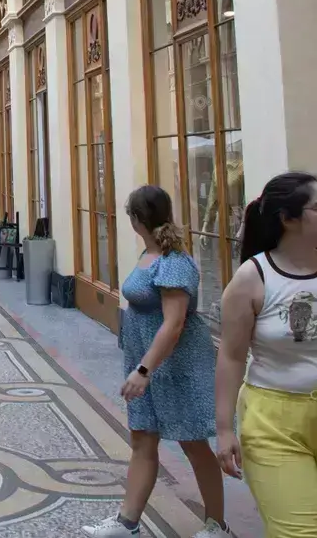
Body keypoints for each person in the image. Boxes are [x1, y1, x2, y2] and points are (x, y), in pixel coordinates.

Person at [83, 185, 230, 538]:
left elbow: (175, 323)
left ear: (136, 219)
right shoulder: (150, 254)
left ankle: (216, 526)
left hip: (173, 368)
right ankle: (126, 523)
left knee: (193, 444)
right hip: (145, 367)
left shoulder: (173, 262)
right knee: (143, 442)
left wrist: (144, 370)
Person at [215, 171, 317, 537]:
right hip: (274, 421)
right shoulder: (253, 278)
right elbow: (230, 356)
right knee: (301, 532)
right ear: (288, 219)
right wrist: (225, 429)